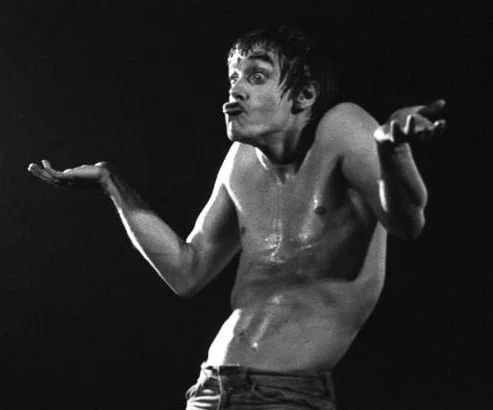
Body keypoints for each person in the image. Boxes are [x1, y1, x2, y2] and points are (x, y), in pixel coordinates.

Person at [28, 26, 445, 410]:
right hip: (209, 390)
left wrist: (393, 153)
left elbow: (408, 223)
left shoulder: (342, 127)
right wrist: (111, 183)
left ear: (304, 96)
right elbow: (186, 271)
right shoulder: (242, 161)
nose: (236, 90)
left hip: (285, 395)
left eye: (257, 76)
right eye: (233, 77)